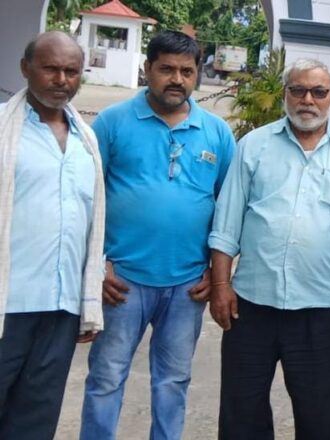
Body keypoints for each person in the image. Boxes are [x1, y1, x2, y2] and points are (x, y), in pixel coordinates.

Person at [80, 31, 236, 440]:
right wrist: (97, 265)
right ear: (147, 68)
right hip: (121, 281)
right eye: (166, 69)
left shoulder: (217, 133)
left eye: (187, 71)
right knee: (107, 378)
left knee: (173, 381)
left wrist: (216, 272)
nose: (177, 79)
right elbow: (87, 197)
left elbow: (229, 209)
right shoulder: (113, 122)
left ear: (197, 74)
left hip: (188, 285)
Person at [208, 58, 330, 440]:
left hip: (321, 310)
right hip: (251, 304)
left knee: (319, 418)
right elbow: (227, 222)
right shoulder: (254, 145)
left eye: (318, 92)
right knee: (241, 415)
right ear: (286, 94)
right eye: (298, 90)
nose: (307, 100)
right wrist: (220, 286)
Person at [0, 31, 104, 440]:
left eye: (71, 71)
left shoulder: (85, 141)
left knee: (36, 420)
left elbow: (91, 223)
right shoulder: (3, 129)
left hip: (61, 307)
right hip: (9, 303)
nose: (62, 80)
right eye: (51, 69)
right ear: (25, 68)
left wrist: (88, 294)